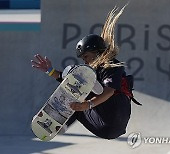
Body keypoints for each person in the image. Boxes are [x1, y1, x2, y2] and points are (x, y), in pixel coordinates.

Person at [31, 5, 131, 139]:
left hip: (113, 115)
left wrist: (88, 104)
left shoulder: (111, 65)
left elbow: (109, 91)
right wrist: (49, 70)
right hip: (104, 127)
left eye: (86, 57)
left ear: (96, 52)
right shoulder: (89, 71)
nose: (85, 61)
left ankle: (87, 94)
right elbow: (67, 80)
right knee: (78, 87)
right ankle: (62, 124)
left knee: (79, 79)